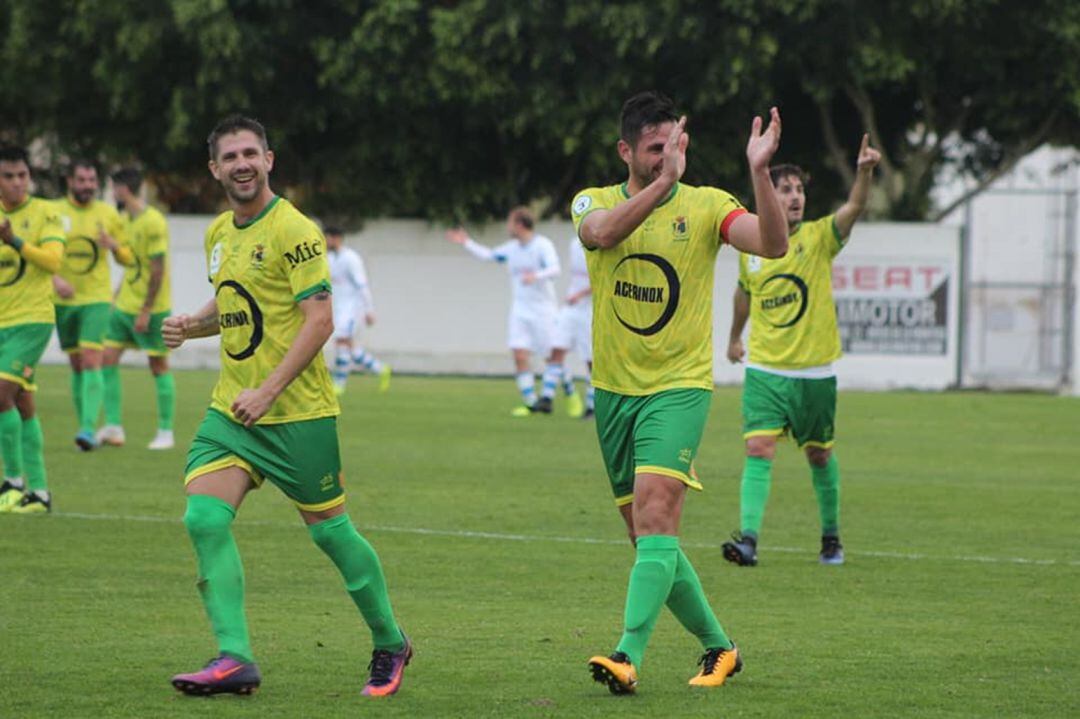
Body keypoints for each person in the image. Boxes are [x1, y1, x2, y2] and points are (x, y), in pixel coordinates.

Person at [163, 115, 410, 698]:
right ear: (215, 169)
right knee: (203, 517)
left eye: (251, 152)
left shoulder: (295, 229)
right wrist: (191, 325)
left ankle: (389, 640)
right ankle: (234, 658)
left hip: (297, 414)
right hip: (233, 413)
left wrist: (269, 390)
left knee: (331, 535)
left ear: (269, 160)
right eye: (230, 156)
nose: (242, 164)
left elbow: (319, 319)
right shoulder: (219, 232)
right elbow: (237, 305)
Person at [572, 91, 788, 694]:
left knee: (658, 514)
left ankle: (626, 654)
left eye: (675, 146)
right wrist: (660, 186)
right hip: (614, 393)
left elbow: (773, 244)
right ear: (626, 152)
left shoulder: (709, 206)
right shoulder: (590, 201)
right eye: (655, 148)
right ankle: (720, 648)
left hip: (679, 388)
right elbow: (604, 233)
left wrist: (761, 172)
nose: (669, 157)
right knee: (648, 537)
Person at [722, 135, 881, 568]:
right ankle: (749, 540)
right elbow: (744, 294)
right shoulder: (752, 248)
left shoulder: (818, 237)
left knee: (819, 453)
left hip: (814, 372)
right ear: (767, 195)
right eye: (785, 189)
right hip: (766, 369)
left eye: (799, 189)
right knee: (758, 448)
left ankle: (831, 538)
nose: (795, 197)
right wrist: (735, 337)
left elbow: (854, 208)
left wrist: (864, 171)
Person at [446, 207, 564, 416]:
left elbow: (555, 269)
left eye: (510, 222)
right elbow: (490, 255)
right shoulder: (512, 249)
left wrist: (535, 276)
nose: (508, 227)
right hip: (520, 310)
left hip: (543, 310)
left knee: (550, 356)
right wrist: (466, 242)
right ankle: (531, 403)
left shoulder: (542, 245)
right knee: (519, 353)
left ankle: (556, 394)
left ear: (519, 224)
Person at [0, 146, 65, 514]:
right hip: (1, 321)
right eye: (8, 176)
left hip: (32, 320)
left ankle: (12, 482)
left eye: (22, 175)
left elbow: (53, 261)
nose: (17, 182)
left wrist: (15, 241)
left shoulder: (46, 212)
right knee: (23, 404)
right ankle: (39, 493)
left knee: (0, 394)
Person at [53, 159, 134, 450]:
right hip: (63, 301)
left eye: (91, 181)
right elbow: (42, 254)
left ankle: (88, 429)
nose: (87, 186)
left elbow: (128, 258)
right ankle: (83, 424)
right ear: (70, 182)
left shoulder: (108, 214)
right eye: (82, 180)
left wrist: (113, 245)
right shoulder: (55, 213)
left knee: (90, 359)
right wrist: (55, 281)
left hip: (97, 299)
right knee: (76, 365)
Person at [96, 167, 176, 450]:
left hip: (151, 309)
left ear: (123, 189)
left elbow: (157, 270)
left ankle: (166, 431)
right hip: (125, 305)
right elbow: (131, 264)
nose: (113, 194)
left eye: (114, 188)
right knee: (107, 358)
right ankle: (114, 427)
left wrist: (145, 310)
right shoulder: (125, 220)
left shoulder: (153, 222)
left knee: (158, 365)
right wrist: (114, 248)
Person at [323, 226, 390, 394]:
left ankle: (339, 384)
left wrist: (369, 309)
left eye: (328, 237)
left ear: (336, 238)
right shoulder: (329, 258)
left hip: (351, 309)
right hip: (337, 309)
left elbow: (362, 286)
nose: (326, 241)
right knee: (348, 346)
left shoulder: (351, 259)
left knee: (341, 343)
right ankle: (380, 369)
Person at [548, 236, 593, 418]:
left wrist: (581, 294)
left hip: (590, 310)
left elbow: (603, 279)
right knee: (556, 349)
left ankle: (592, 406)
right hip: (570, 308)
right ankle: (546, 398)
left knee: (592, 361)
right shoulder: (574, 243)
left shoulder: (603, 242)